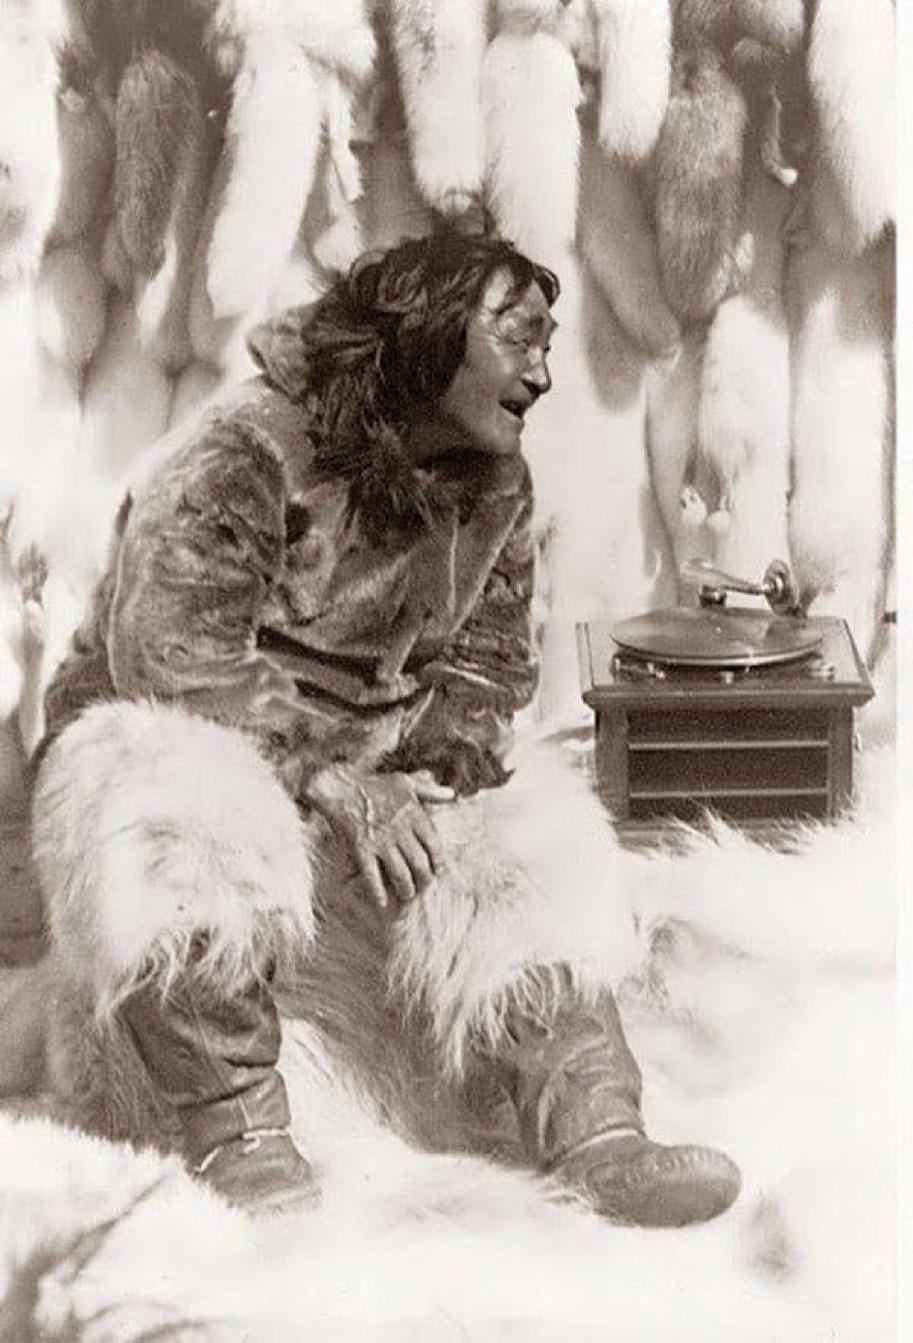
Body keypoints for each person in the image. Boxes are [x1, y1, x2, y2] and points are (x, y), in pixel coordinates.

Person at [32, 232, 741, 1226]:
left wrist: (441, 758)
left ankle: (598, 1131)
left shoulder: (496, 481)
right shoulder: (247, 444)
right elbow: (170, 649)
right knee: (159, 792)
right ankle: (242, 1140)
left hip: (368, 769)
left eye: (546, 344)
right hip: (199, 729)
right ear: (427, 341)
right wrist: (330, 775)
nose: (541, 374)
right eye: (517, 341)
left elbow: (490, 659)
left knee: (524, 818)